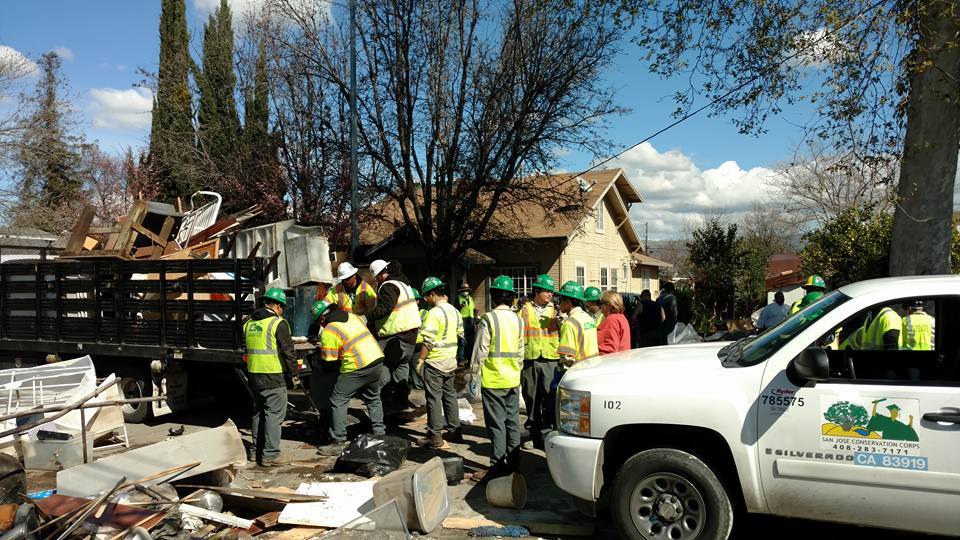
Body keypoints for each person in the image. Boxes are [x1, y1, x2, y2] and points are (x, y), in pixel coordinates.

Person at [313, 301, 388, 456]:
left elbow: (329, 362)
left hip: (357, 366)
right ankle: (380, 434)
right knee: (373, 398)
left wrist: (319, 365)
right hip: (377, 359)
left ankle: (338, 441)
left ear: (321, 319)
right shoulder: (353, 317)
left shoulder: (330, 330)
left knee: (338, 400)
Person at [471, 275, 524, 479]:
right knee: (512, 423)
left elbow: (480, 351)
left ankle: (497, 468)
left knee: (497, 425)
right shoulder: (518, 320)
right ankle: (514, 465)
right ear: (512, 298)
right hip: (512, 379)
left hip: (493, 380)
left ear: (493, 297)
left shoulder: (489, 319)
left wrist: (474, 375)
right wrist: (516, 371)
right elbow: (520, 352)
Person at [243, 288, 297, 467]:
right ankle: (270, 455)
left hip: (254, 376)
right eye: (283, 307)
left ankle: (255, 452)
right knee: (274, 415)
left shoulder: (249, 323)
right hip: (272, 376)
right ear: (278, 306)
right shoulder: (277, 323)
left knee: (258, 413)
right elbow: (288, 351)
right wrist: (294, 375)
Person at [364, 259, 421, 408]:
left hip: (395, 335)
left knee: (382, 364)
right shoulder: (403, 284)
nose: (377, 281)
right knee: (402, 365)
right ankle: (401, 400)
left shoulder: (388, 286)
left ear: (383, 273)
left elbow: (386, 307)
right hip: (411, 335)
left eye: (376, 277)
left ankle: (385, 400)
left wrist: (366, 317)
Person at [416, 277, 465, 448]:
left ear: (432, 294)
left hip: (435, 361)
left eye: (426, 296)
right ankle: (455, 431)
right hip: (450, 361)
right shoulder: (455, 311)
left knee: (434, 398)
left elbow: (428, 341)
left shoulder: (434, 313)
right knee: (450, 395)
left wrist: (421, 360)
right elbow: (461, 335)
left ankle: (435, 435)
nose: (425, 300)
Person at [518, 274, 559, 449]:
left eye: (551, 292)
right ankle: (533, 433)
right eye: (547, 291)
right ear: (537, 291)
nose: (550, 294)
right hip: (530, 359)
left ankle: (546, 434)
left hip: (550, 359)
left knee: (549, 398)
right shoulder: (524, 310)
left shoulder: (556, 310)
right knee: (531, 397)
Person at [556, 281, 600, 367]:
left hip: (578, 370)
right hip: (593, 367)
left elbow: (567, 358)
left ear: (568, 302)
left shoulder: (569, 323)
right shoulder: (589, 318)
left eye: (560, 300)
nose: (558, 303)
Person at [456, 282, 476, 366]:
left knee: (470, 341)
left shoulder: (471, 298)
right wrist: (460, 306)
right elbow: (455, 309)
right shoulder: (458, 298)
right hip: (462, 320)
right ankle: (461, 359)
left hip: (470, 321)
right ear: (461, 291)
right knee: (462, 340)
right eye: (464, 290)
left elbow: (473, 309)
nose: (465, 292)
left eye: (466, 290)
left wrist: (475, 317)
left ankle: (469, 358)